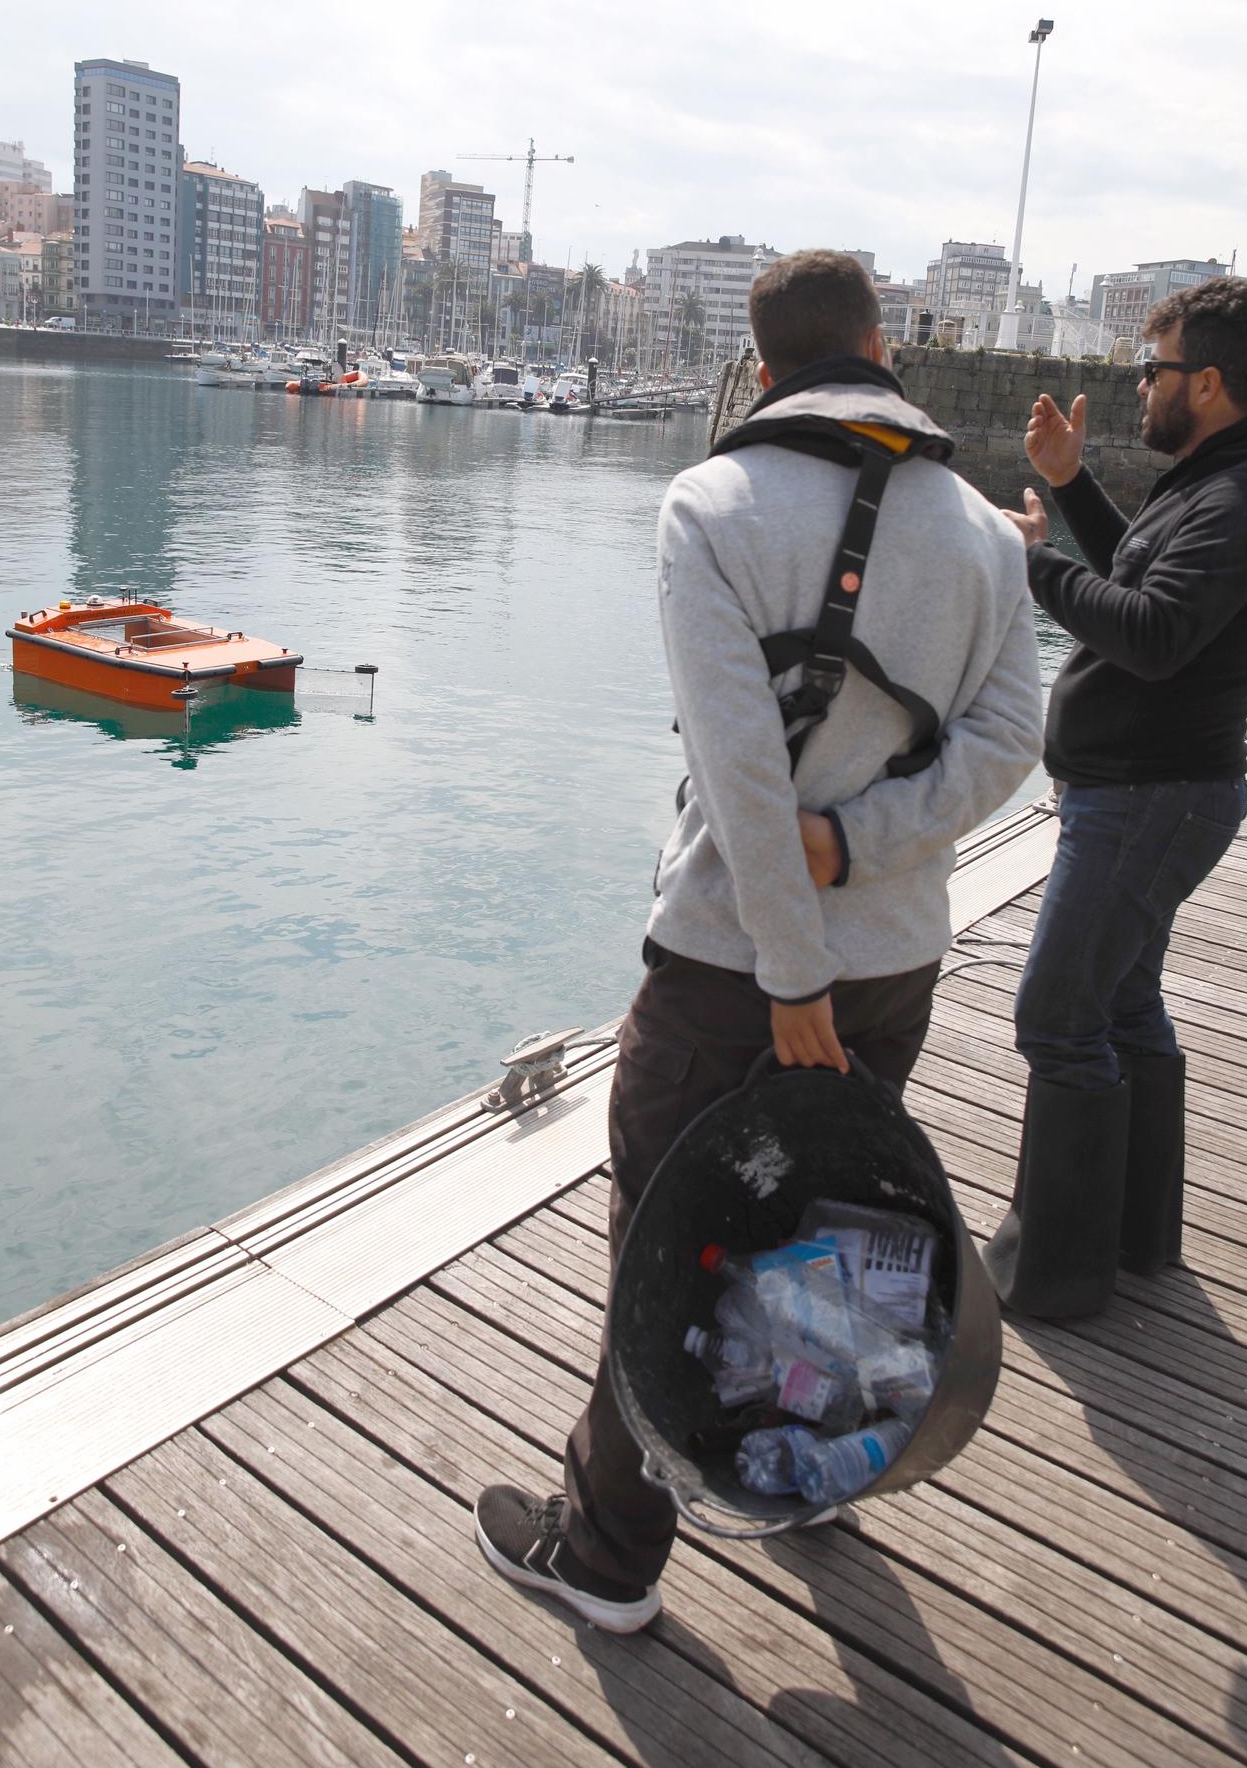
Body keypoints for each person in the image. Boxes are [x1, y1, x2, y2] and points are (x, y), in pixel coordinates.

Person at [474, 250, 1043, 1632]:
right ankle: (824, 1467)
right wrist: (865, 846)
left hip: (737, 972)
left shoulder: (712, 505)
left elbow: (740, 776)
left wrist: (791, 965)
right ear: (883, 351)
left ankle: (608, 1557)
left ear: (762, 365)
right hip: (901, 953)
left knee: (668, 1241)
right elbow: (1013, 742)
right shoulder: (979, 529)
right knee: (832, 1220)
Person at [984, 275, 1247, 1320]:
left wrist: (1032, 565)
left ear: (1205, 381)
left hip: (1148, 796)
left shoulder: (1243, 494)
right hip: (1149, 790)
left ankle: (1056, 1273)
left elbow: (1154, 633)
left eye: (1151, 368)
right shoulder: (1223, 477)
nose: (1135, 388)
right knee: (1118, 1004)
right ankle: (1133, 1240)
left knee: (1056, 1016)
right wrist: (1072, 486)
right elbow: (1140, 574)